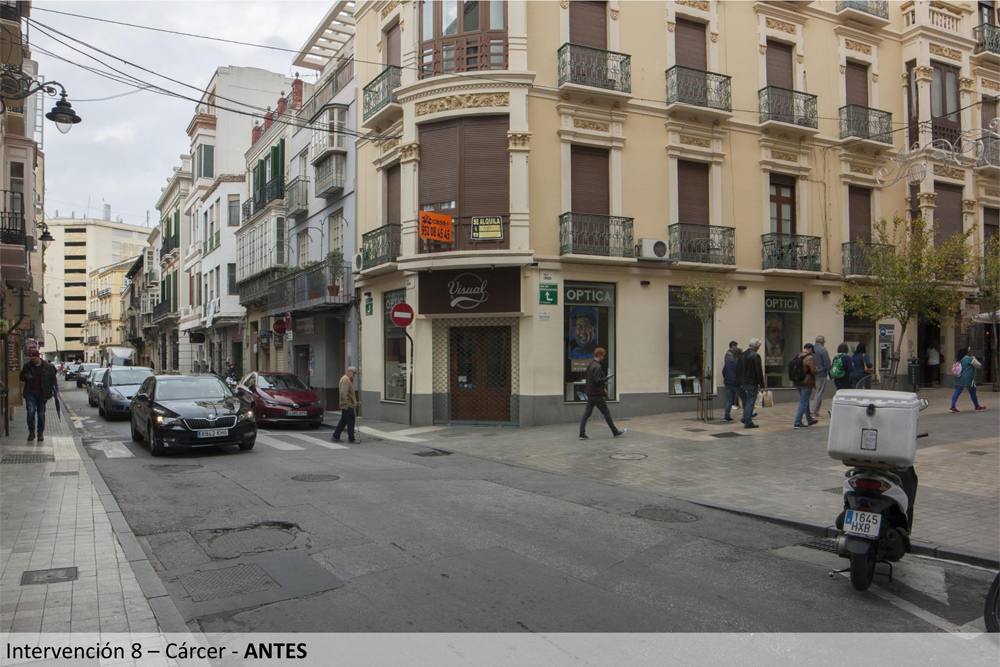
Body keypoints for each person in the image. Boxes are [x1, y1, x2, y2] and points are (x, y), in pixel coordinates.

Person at [579, 347, 626, 439]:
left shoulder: (590, 364)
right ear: (599, 355)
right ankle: (615, 432)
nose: (603, 357)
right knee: (606, 413)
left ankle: (582, 433)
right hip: (597, 394)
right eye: (603, 355)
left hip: (590, 393)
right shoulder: (597, 366)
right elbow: (597, 381)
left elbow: (590, 379)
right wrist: (606, 378)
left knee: (587, 414)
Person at [19, 349, 58, 442]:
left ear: (38, 357)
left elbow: (53, 379)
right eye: (31, 358)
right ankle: (31, 433)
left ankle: (40, 433)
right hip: (30, 393)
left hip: (43, 394)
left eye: (34, 358)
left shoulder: (48, 367)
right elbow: (21, 377)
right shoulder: (27, 366)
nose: (32, 359)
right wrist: (26, 376)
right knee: (30, 412)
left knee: (41, 414)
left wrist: (56, 391)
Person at [950, 347, 987, 413]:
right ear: (967, 352)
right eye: (969, 351)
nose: (970, 352)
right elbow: (979, 365)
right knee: (972, 392)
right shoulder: (969, 359)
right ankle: (977, 407)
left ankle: (952, 407)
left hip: (959, 378)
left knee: (957, 392)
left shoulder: (958, 359)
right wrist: (974, 358)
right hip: (968, 379)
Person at [739, 338, 764, 429]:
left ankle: (745, 418)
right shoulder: (755, 356)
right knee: (750, 402)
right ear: (756, 346)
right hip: (752, 383)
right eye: (758, 346)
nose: (758, 348)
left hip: (742, 382)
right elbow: (758, 371)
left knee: (747, 402)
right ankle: (748, 421)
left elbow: (738, 369)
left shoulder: (742, 355)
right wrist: (762, 384)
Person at [792, 343, 819, 429]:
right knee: (803, 402)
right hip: (806, 383)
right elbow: (813, 370)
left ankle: (809, 419)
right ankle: (797, 422)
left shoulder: (797, 356)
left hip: (798, 382)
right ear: (810, 349)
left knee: (805, 400)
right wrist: (817, 369)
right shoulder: (809, 357)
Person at [333, 366, 359, 443]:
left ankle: (335, 436)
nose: (354, 375)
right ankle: (351, 438)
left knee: (343, 421)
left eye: (355, 373)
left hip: (347, 405)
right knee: (351, 421)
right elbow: (343, 393)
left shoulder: (347, 379)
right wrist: (346, 404)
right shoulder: (346, 379)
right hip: (348, 405)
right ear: (349, 371)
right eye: (354, 373)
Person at [809, 335, 831, 419]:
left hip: (812, 374)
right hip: (821, 374)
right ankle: (814, 411)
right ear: (822, 342)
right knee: (819, 392)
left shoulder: (812, 349)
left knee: (817, 392)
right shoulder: (823, 350)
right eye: (824, 341)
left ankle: (816, 411)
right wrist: (830, 372)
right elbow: (827, 362)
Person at [722, 341, 742, 422]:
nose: (736, 348)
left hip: (728, 381)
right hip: (735, 382)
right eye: (735, 346)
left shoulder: (727, 359)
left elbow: (723, 371)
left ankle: (726, 415)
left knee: (729, 399)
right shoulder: (735, 360)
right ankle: (748, 414)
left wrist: (726, 378)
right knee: (744, 397)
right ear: (732, 346)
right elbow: (739, 371)